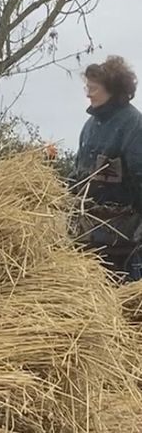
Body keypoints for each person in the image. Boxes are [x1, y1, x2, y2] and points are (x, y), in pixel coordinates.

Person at [72, 55, 142, 279]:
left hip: (123, 236)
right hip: (88, 233)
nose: (87, 93)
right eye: (87, 87)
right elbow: (78, 173)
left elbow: (139, 176)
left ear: (112, 89)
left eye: (93, 88)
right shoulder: (90, 126)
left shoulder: (133, 124)